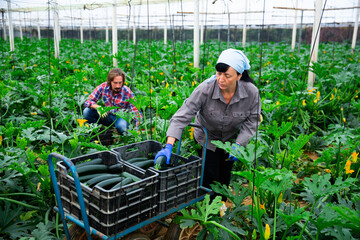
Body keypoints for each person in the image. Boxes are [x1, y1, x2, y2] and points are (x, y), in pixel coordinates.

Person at [154, 49, 261, 197]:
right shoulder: (206, 88)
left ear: (239, 76)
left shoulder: (251, 92)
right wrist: (168, 146)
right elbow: (182, 116)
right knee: (209, 175)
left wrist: (239, 144)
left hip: (231, 141)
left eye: (227, 75)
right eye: (218, 73)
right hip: (207, 138)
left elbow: (253, 121)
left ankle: (221, 206)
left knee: (224, 176)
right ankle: (207, 207)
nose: (221, 79)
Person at [83, 68, 142, 134]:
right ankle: (97, 133)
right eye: (115, 83)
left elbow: (136, 111)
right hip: (107, 115)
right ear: (109, 82)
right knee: (87, 112)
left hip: (121, 117)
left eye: (120, 83)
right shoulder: (103, 87)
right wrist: (98, 107)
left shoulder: (127, 92)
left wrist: (139, 129)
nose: (118, 86)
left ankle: (120, 137)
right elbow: (88, 101)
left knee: (122, 127)